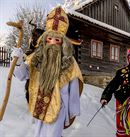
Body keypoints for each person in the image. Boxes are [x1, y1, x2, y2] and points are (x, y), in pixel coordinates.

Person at [12, 6, 84, 137]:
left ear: (62, 42)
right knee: (38, 134)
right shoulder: (37, 57)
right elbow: (23, 75)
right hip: (39, 105)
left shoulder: (70, 62)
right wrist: (18, 62)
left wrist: (71, 111)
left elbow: (73, 89)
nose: (52, 43)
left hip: (58, 108)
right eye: (49, 39)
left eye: (57, 40)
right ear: (45, 40)